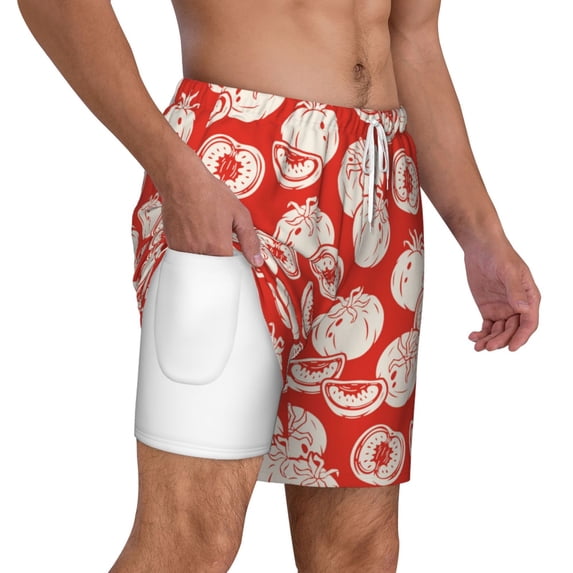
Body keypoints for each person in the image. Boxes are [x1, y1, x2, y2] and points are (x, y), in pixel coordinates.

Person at [18, 0, 540, 571]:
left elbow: (412, 37)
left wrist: (482, 235)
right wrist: (174, 172)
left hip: (381, 189)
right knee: (190, 539)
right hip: (236, 171)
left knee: (359, 550)